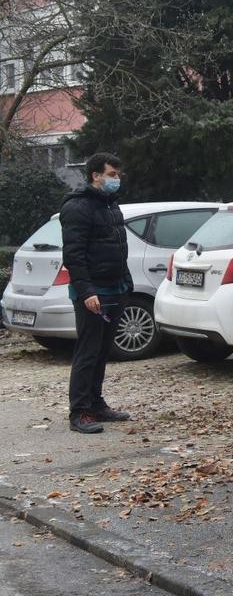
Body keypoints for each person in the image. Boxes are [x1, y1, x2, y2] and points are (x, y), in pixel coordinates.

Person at [61, 152, 132, 434]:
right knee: (87, 352)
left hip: (115, 289)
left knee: (102, 351)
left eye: (118, 175)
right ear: (96, 175)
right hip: (92, 294)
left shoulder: (111, 205)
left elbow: (119, 249)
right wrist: (87, 291)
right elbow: (74, 255)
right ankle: (79, 412)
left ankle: (96, 403)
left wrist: (126, 283)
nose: (117, 180)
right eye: (112, 174)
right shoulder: (78, 207)